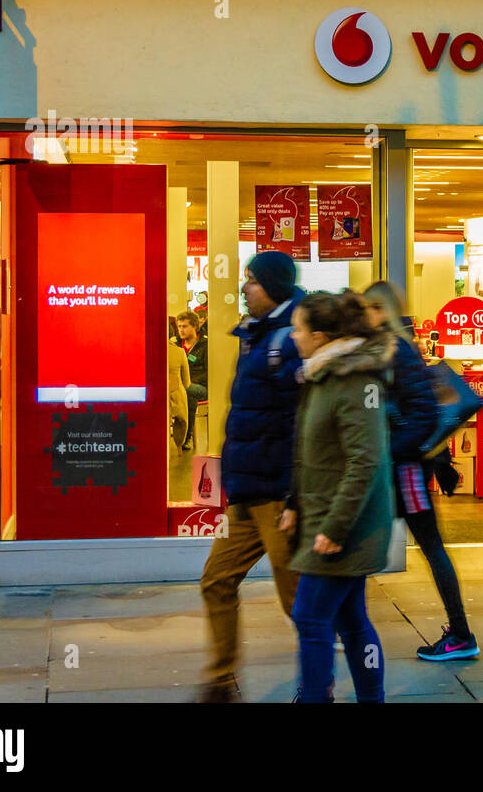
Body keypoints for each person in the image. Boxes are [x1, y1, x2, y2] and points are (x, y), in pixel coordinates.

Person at [278, 290, 396, 703]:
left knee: (311, 618)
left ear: (321, 335)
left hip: (347, 524)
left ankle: (315, 698)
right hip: (331, 518)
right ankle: (370, 699)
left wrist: (334, 527)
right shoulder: (322, 375)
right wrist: (295, 503)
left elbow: (365, 462)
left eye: (298, 329)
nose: (292, 336)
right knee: (351, 619)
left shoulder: (354, 381)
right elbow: (312, 451)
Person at [197, 251, 304, 703]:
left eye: (252, 281)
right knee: (216, 580)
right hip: (248, 491)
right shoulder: (255, 335)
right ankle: (221, 681)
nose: (244, 287)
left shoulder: (291, 340)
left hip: (279, 496)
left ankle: (324, 684)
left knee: (301, 606)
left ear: (273, 287)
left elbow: (305, 422)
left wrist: (296, 498)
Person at [363, 280, 479, 661]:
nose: (363, 315)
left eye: (368, 308)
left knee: (430, 545)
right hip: (398, 469)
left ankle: (461, 633)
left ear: (380, 311)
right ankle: (343, 623)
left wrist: (388, 453)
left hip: (405, 473)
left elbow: (421, 418)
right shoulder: (389, 350)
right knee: (369, 543)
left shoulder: (399, 352)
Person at [177, 310, 208, 451]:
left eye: (184, 326)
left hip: (201, 387)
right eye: (179, 326)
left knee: (188, 391)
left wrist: (188, 381)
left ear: (194, 327)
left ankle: (186, 437)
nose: (181, 330)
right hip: (179, 385)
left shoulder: (205, 345)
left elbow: (209, 373)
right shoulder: (176, 346)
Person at [167, 317, 190, 454]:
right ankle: (180, 445)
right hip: (176, 392)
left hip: (153, 394)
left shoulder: (147, 349)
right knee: (182, 417)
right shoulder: (179, 352)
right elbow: (186, 381)